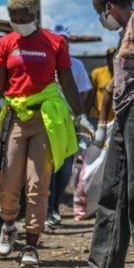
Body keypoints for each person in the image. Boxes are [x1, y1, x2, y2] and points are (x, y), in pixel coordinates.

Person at [0, 0, 84, 268]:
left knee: (37, 183)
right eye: (13, 17)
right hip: (15, 119)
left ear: (34, 13)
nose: (18, 21)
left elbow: (67, 80)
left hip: (44, 120)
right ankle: (8, 224)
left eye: (23, 16)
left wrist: (81, 116)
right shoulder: (6, 43)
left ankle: (31, 245)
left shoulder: (55, 43)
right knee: (7, 182)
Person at [70, 0, 134, 268]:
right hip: (123, 115)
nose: (101, 17)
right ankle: (104, 264)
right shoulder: (125, 32)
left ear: (108, 6)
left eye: (99, 11)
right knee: (113, 187)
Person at [47, 24, 93, 231]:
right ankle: (48, 211)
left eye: (64, 39)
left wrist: (80, 117)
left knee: (65, 169)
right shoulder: (44, 62)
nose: (61, 43)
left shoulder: (76, 65)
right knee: (46, 167)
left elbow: (82, 93)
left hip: (69, 123)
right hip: (47, 122)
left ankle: (55, 203)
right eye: (57, 39)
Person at [88, 47, 116, 122]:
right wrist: (86, 115)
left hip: (115, 118)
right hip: (99, 117)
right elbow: (91, 96)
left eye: (114, 58)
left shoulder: (123, 75)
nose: (112, 61)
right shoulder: (97, 73)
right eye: (109, 58)